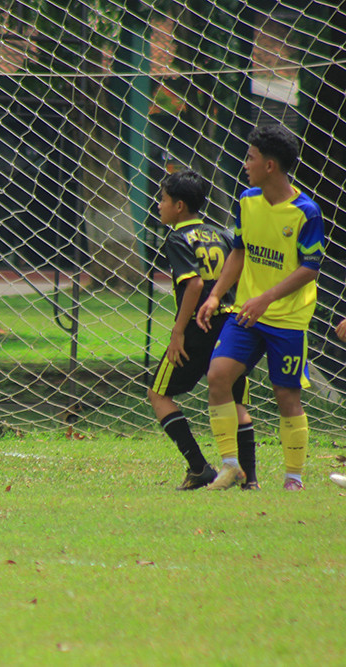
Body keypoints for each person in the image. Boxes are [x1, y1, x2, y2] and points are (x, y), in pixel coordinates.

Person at [195, 124, 325, 491]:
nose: (245, 163)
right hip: (246, 314)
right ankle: (230, 466)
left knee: (286, 394)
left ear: (270, 165)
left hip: (287, 319)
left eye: (250, 157)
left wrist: (266, 297)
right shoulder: (247, 200)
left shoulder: (306, 212)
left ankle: (294, 478)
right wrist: (217, 295)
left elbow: (309, 269)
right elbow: (239, 251)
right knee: (218, 376)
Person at [147, 170, 257, 490]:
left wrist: (178, 332)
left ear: (179, 206)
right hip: (231, 326)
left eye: (163, 199)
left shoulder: (178, 238)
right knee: (234, 401)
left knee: (158, 392)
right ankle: (249, 479)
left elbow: (194, 284)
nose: (159, 205)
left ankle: (198, 466)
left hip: (199, 327)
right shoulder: (221, 234)